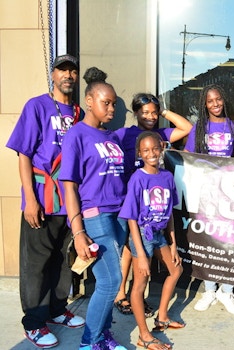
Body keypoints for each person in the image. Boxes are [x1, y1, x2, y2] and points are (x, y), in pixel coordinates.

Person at [6, 54, 86, 348]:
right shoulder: (37, 106)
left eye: (72, 70)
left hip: (69, 202)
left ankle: (56, 310)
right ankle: (34, 322)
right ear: (53, 74)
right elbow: (24, 153)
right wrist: (30, 198)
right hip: (42, 196)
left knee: (62, 259)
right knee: (36, 263)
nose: (67, 74)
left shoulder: (79, 113)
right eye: (62, 69)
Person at [60, 68, 128, 349]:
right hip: (95, 215)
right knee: (111, 281)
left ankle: (103, 334)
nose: (111, 108)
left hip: (120, 216)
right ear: (89, 101)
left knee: (111, 280)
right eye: (106, 102)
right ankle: (90, 342)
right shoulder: (77, 134)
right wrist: (78, 232)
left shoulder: (112, 137)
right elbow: (69, 186)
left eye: (113, 103)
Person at [112, 92, 192, 317]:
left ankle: (136, 297)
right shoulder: (126, 133)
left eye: (153, 113)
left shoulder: (159, 134)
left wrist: (163, 110)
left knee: (136, 251)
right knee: (129, 249)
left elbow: (186, 128)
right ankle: (121, 294)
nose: (150, 116)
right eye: (144, 112)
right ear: (136, 112)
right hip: (129, 199)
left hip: (153, 208)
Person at [184, 84, 234, 315]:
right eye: (209, 101)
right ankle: (209, 289)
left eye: (218, 99)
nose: (215, 104)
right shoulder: (199, 127)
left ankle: (226, 291)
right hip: (206, 194)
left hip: (230, 194)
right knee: (207, 243)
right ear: (204, 104)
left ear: (224, 100)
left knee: (228, 243)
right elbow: (188, 157)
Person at [119, 131, 184, 350]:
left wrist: (173, 245)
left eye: (155, 148)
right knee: (139, 286)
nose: (152, 153)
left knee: (176, 270)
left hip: (159, 235)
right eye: (146, 150)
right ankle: (144, 335)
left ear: (162, 147)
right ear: (140, 153)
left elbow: (171, 214)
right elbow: (131, 219)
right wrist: (141, 256)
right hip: (143, 236)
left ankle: (162, 317)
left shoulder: (166, 176)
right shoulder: (138, 178)